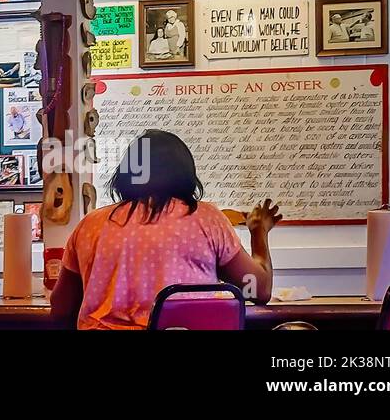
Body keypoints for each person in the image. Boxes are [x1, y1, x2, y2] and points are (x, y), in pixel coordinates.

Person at [50, 129, 281, 329]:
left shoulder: (91, 225)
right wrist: (259, 232)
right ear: (186, 174)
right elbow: (258, 290)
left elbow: (61, 307)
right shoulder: (206, 219)